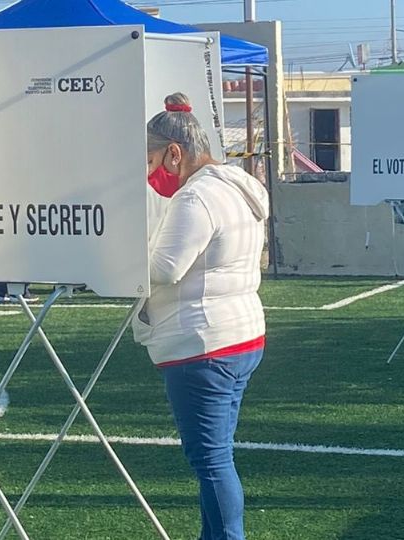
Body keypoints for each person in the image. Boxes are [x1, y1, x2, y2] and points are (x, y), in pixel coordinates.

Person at [133, 93, 269, 540]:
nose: (151, 173)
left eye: (152, 159)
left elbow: (164, 268)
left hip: (203, 343)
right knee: (217, 456)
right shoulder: (237, 186)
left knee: (211, 461)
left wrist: (116, 258)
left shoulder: (196, 199)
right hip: (241, 335)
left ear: (175, 152)